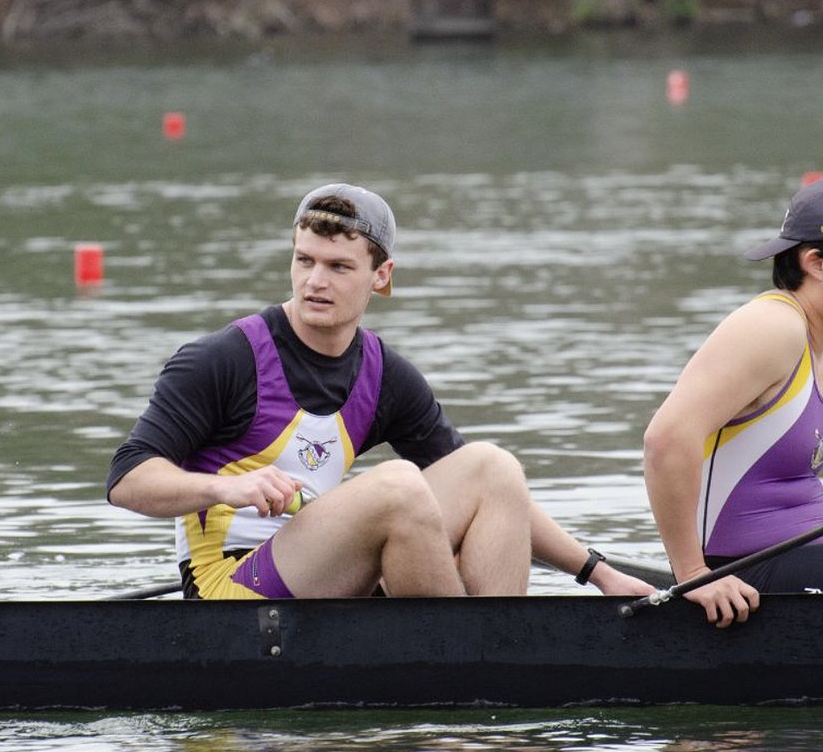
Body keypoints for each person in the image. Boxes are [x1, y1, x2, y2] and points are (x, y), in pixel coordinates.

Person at [107, 182, 654, 600]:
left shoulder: (385, 374)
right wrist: (224, 489)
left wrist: (601, 574)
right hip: (230, 586)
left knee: (493, 467)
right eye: (305, 261)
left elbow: (496, 498)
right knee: (396, 484)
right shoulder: (221, 359)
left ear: (381, 275)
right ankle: (471, 665)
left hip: (320, 569)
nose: (314, 282)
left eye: (339, 266)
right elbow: (127, 481)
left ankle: (497, 646)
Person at [644, 177, 823, 628]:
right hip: (739, 570)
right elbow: (665, 440)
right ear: (816, 263)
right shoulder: (771, 326)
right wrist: (693, 575)